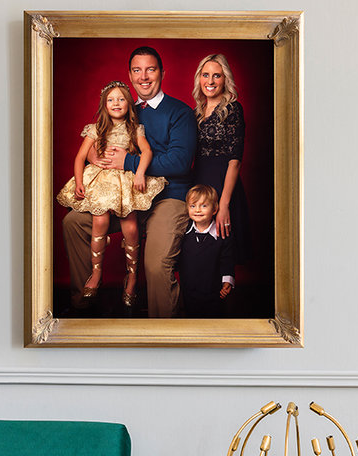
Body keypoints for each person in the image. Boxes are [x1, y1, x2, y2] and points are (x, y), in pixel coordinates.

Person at [62, 47, 196, 317]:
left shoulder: (180, 113)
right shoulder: (122, 109)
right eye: (137, 70)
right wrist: (92, 153)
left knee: (157, 264)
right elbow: (99, 145)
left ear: (162, 73)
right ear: (130, 75)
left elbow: (180, 163)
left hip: (167, 197)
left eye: (151, 69)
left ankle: (164, 332)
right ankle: (82, 306)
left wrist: (130, 163)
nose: (144, 77)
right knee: (73, 223)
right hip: (125, 199)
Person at [56, 81, 165, 307]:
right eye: (111, 100)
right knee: (100, 219)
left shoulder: (135, 129)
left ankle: (132, 277)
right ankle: (96, 274)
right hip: (102, 184)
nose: (116, 103)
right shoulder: (95, 129)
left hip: (125, 181)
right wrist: (79, 181)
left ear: (129, 103)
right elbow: (80, 157)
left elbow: (147, 152)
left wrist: (140, 173)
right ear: (104, 105)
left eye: (122, 99)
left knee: (131, 226)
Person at [191, 53, 250, 255]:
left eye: (217, 75)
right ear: (199, 78)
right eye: (205, 75)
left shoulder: (233, 110)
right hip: (198, 184)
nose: (210, 81)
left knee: (222, 252)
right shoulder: (196, 112)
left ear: (225, 79)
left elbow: (235, 161)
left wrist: (223, 205)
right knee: (200, 250)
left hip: (223, 186)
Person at [179, 185, 237, 318]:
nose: (198, 210)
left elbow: (227, 260)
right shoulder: (184, 235)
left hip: (214, 293)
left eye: (204, 206)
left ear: (215, 209)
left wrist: (227, 281)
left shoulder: (223, 235)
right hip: (190, 293)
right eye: (193, 206)